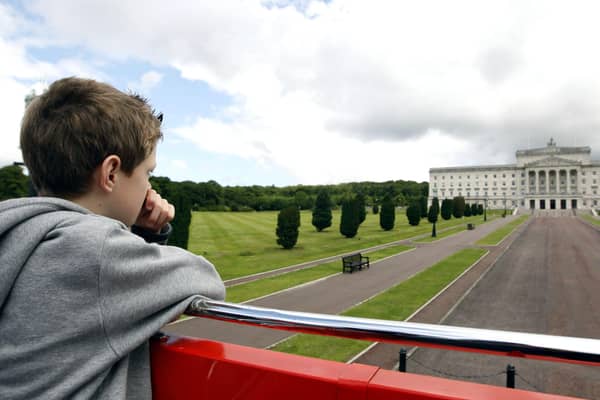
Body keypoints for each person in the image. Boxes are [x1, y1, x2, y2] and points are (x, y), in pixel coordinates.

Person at [0, 77, 226, 399]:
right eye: (148, 172)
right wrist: (147, 233)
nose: (149, 188)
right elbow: (205, 280)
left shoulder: (16, 232)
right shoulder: (98, 250)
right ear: (110, 173)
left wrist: (137, 235)